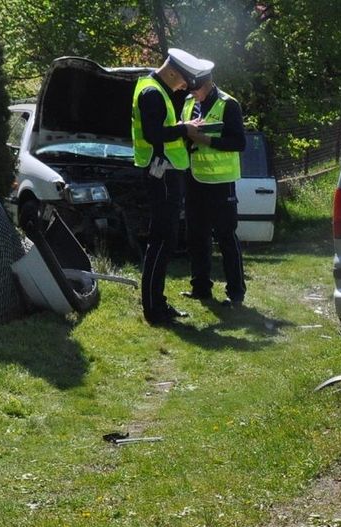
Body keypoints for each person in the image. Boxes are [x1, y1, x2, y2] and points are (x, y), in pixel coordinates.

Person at [130, 48, 212, 325]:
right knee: (162, 241)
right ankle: (153, 309)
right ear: (173, 71)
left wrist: (182, 127)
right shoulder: (152, 92)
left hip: (165, 173)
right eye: (184, 82)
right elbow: (154, 134)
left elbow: (160, 130)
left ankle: (158, 303)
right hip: (161, 174)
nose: (184, 87)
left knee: (165, 240)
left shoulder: (155, 89)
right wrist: (184, 129)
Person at [180, 68, 247, 307]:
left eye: (196, 88)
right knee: (196, 236)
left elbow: (239, 143)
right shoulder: (188, 102)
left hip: (221, 182)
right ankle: (200, 288)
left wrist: (206, 139)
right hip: (194, 179)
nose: (193, 93)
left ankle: (236, 293)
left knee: (226, 237)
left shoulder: (229, 104)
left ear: (208, 83)